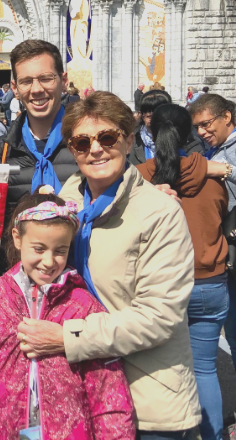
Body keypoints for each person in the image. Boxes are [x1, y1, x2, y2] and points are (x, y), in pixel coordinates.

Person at [0, 91, 201, 437]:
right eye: (82, 142)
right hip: (77, 396)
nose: (95, 149)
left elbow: (159, 317)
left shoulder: (160, 212)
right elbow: (37, 272)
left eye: (107, 137)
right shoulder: (67, 201)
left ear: (129, 141)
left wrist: (67, 337)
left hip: (145, 395)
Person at [0, 190, 136, 440]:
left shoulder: (83, 305)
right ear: (17, 239)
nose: (49, 261)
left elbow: (108, 392)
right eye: (38, 248)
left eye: (60, 250)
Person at [137, 104, 228, 440]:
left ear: (150, 131)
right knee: (205, 370)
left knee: (160, 369)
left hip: (163, 285)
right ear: (189, 133)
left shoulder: (140, 176)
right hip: (210, 281)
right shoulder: (214, 176)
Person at [0, 40, 78, 275]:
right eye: (26, 81)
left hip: (83, 279)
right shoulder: (2, 152)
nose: (37, 89)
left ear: (64, 81)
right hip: (22, 285)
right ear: (15, 88)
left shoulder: (87, 142)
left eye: (46, 78)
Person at [190, 94, 236, 374]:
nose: (202, 132)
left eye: (206, 124)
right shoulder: (212, 150)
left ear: (227, 117)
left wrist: (226, 170)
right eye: (197, 127)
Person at [129, 89, 203, 165]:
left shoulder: (189, 142)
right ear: (142, 116)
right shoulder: (132, 141)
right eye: (149, 116)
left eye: (158, 115)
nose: (155, 121)